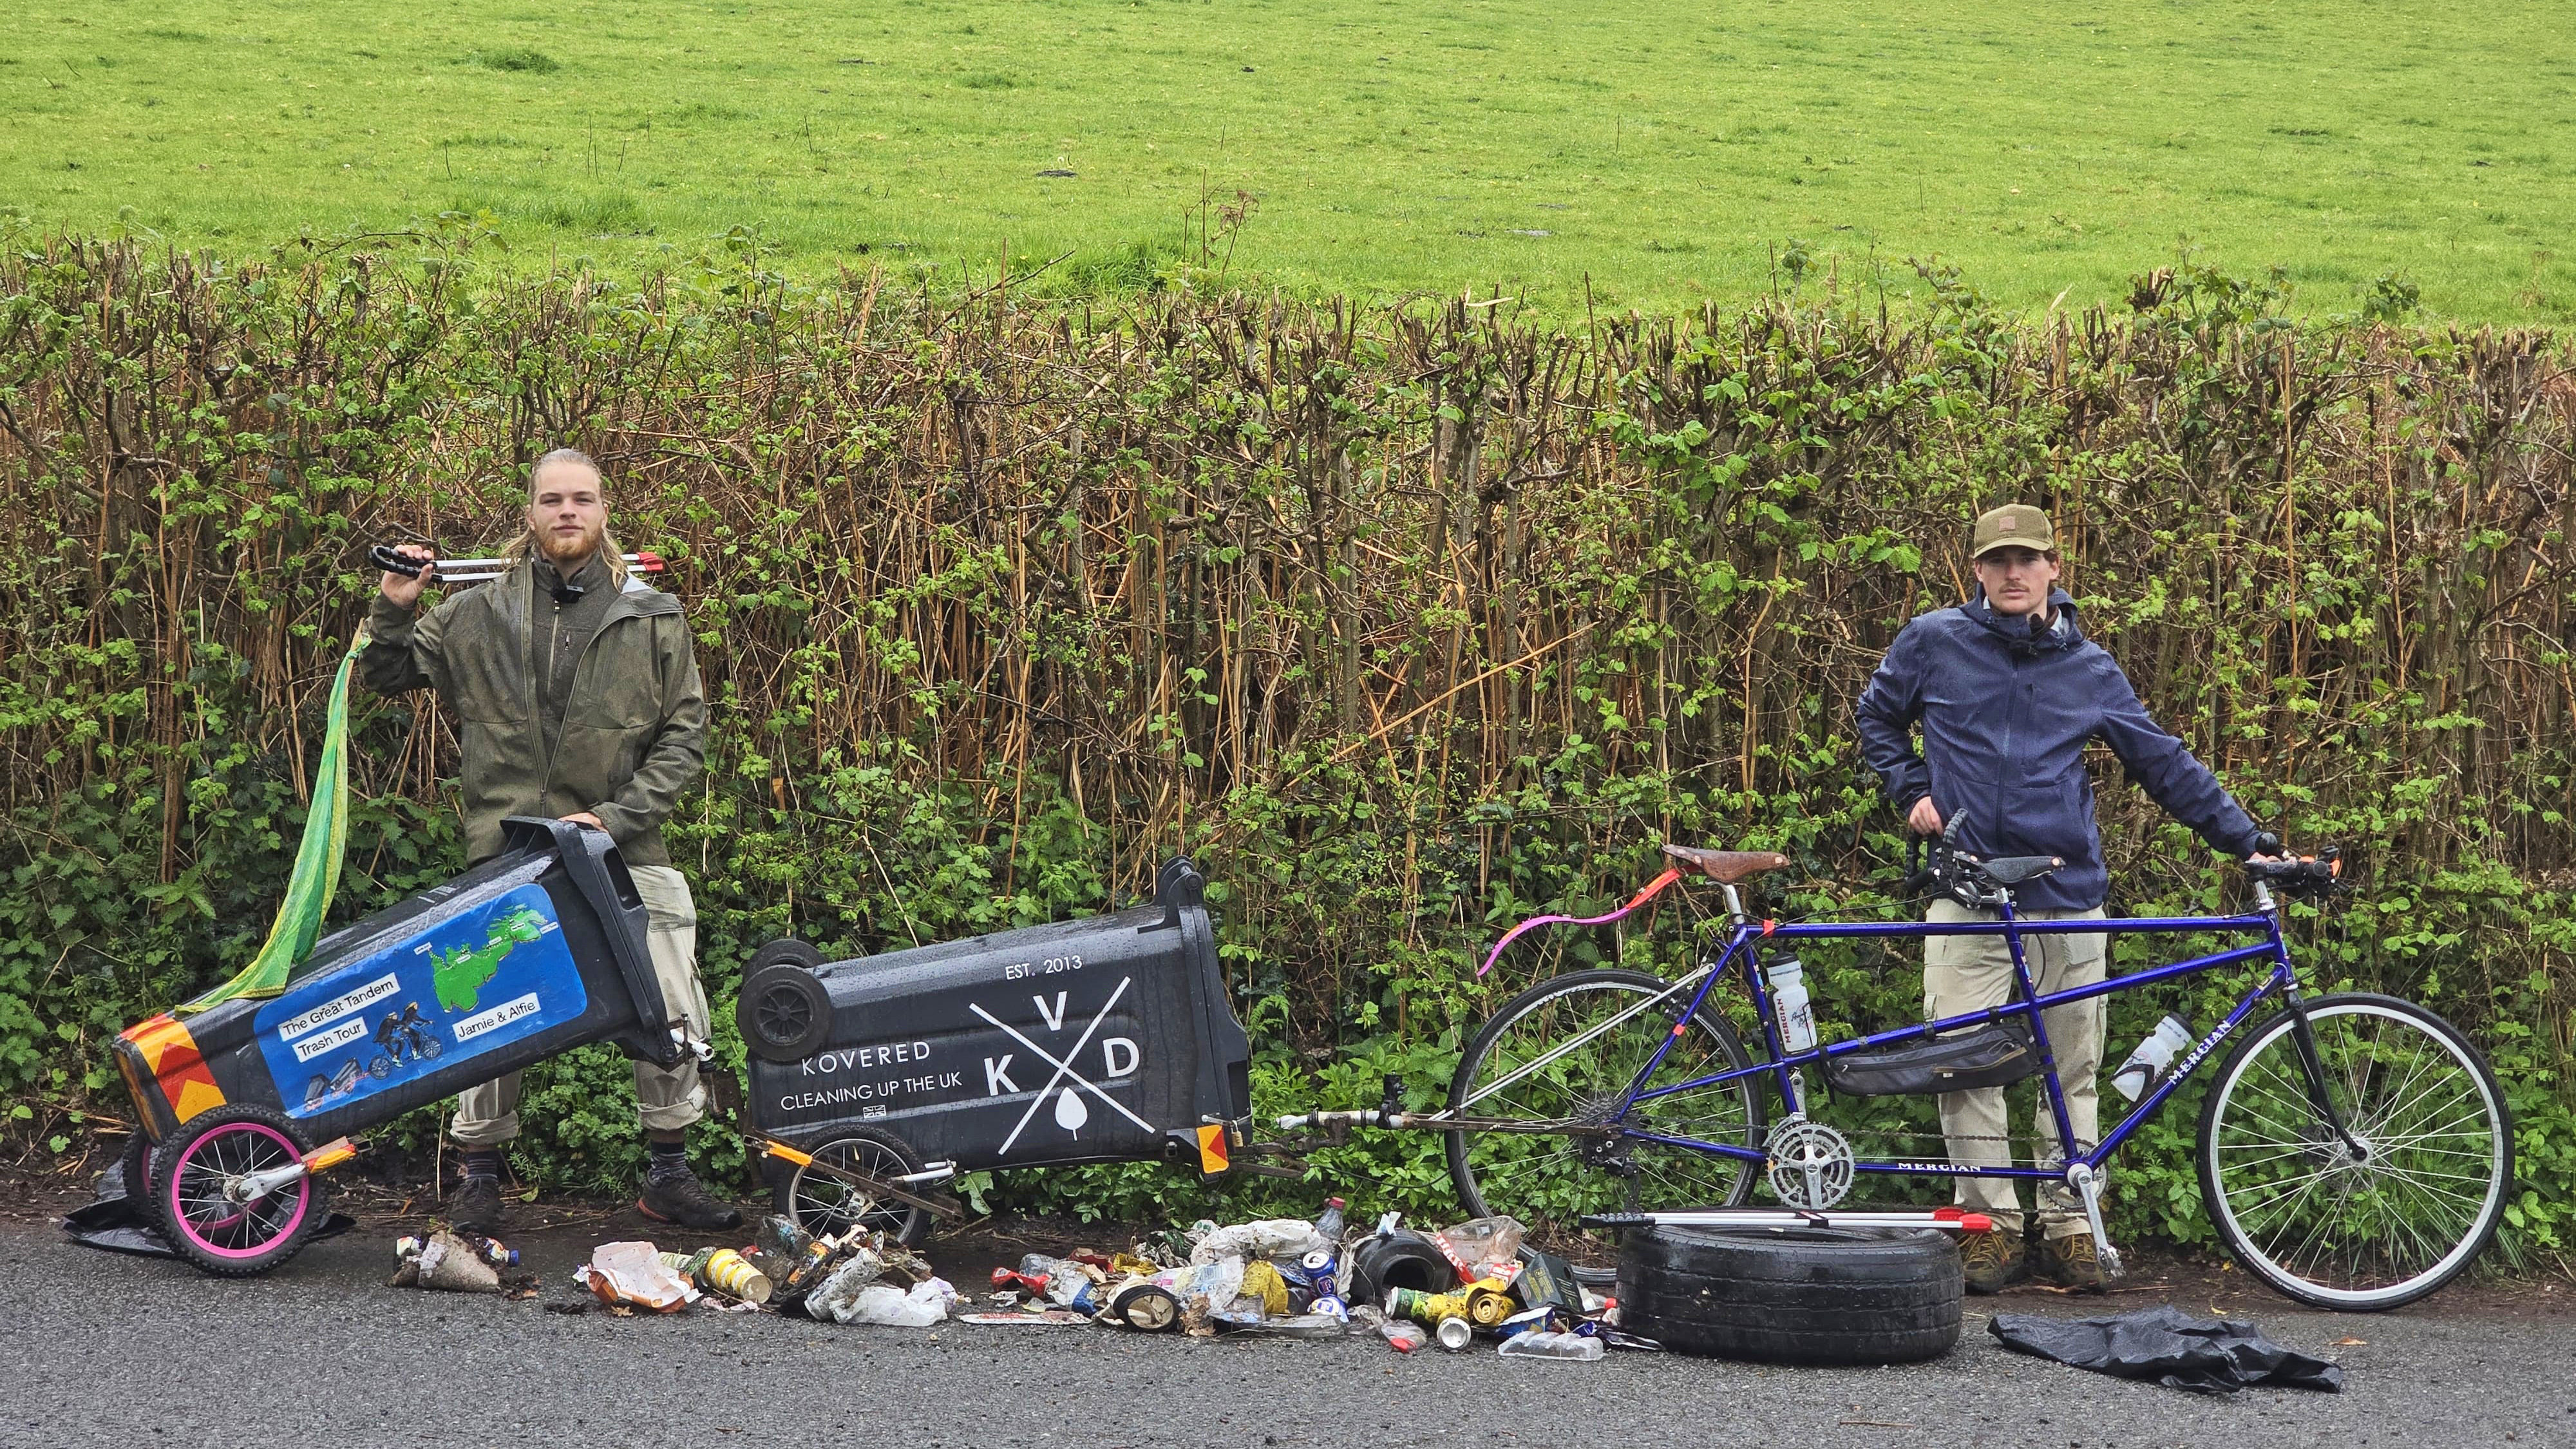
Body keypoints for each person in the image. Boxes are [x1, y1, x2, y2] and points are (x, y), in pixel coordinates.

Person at [1854, 503, 2268, 1293]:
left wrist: (2249, 841)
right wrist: (1909, 788)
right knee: (1963, 1065)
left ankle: (2071, 1222)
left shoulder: (2089, 668)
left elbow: (2163, 763)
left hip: (2065, 891)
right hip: (1966, 889)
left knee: (2069, 1067)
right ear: (1975, 570)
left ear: (2053, 570)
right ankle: (1986, 1227)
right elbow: (1878, 715)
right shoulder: (1933, 642)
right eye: (1998, 560)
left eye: (2028, 560)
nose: (2013, 574)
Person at [363, 448, 741, 1233]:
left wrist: (615, 818)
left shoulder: (653, 615)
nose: (567, 512)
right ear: (529, 515)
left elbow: (684, 740)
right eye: (551, 500)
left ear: (604, 513)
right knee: (484, 1008)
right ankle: (477, 1178)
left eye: (583, 499)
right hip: (509, 854)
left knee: (671, 1007)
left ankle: (668, 1175)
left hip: (626, 851)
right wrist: (395, 601)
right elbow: (385, 673)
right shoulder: (477, 613)